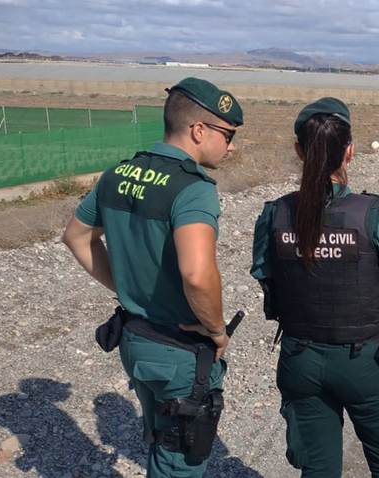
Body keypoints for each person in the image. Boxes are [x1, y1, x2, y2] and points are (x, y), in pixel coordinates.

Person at [62, 77, 243, 477]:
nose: (232, 146)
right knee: (182, 460)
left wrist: (127, 287)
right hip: (180, 349)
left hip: (135, 339)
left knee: (162, 442)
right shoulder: (193, 189)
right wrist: (216, 329)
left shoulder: (118, 173)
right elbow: (197, 274)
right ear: (199, 130)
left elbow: (76, 237)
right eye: (228, 135)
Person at [250, 97, 379, 477]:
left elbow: (266, 276)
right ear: (350, 151)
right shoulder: (373, 215)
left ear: (299, 151)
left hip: (300, 359)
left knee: (318, 469)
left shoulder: (274, 214)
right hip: (366, 362)